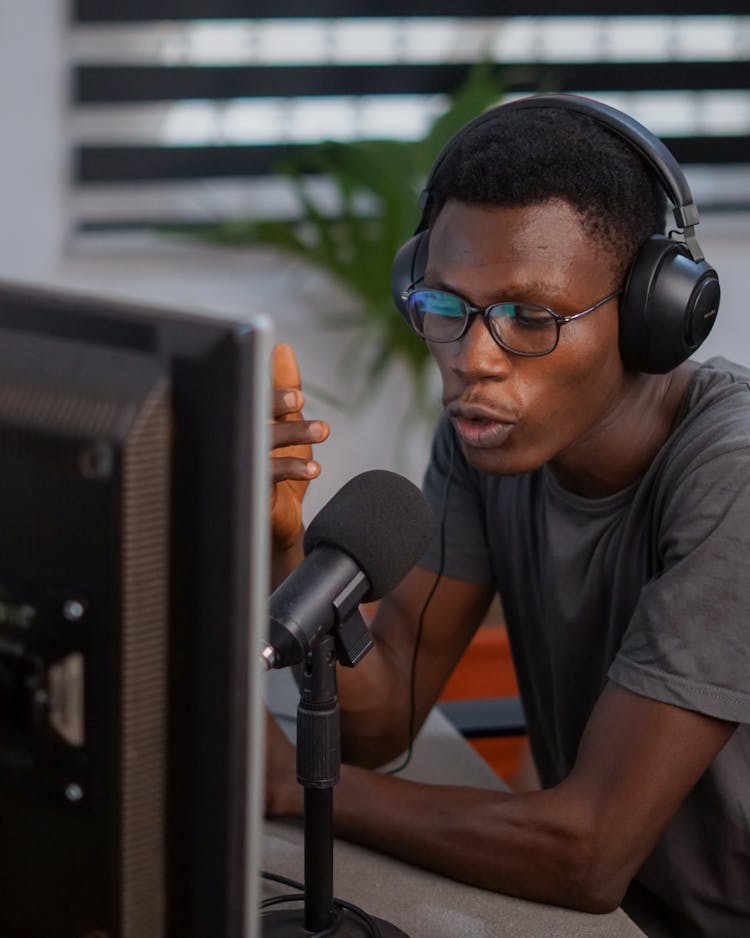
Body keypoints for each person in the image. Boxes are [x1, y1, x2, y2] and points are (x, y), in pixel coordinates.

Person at [265, 94, 750, 938]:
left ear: (655, 315)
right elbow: (380, 722)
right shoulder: (491, 440)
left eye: (531, 316)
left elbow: (589, 853)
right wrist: (284, 551)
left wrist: (293, 788)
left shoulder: (732, 473)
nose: (472, 361)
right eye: (448, 308)